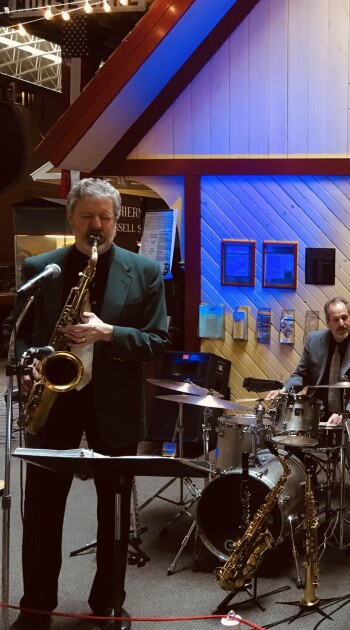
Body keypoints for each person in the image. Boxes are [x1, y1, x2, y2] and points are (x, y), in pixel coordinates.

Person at [12, 178, 170, 630]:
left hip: (115, 407)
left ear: (116, 221)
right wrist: (26, 366)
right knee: (41, 512)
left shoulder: (146, 271)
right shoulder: (41, 268)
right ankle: (36, 608)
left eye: (104, 217)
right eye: (87, 216)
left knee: (115, 514)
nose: (96, 225)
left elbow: (157, 341)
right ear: (71, 218)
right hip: (54, 400)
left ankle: (108, 605)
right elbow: (20, 333)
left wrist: (108, 333)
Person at [267, 297, 350, 425]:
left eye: (344, 317)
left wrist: (345, 414)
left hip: (349, 413)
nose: (341, 323)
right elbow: (301, 375)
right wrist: (284, 391)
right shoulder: (313, 340)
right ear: (328, 322)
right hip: (316, 411)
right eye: (336, 319)